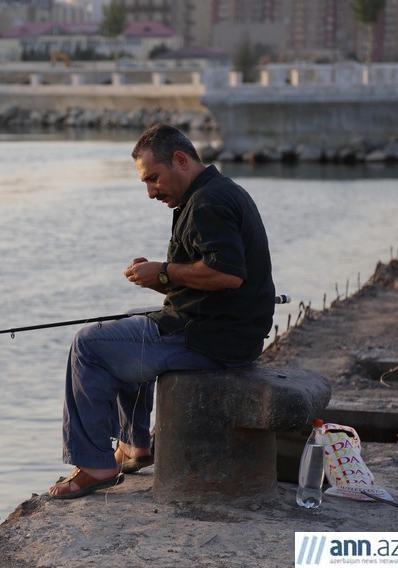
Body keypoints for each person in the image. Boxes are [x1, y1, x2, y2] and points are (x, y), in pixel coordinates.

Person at [48, 123, 275, 499]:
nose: (151, 192)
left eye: (153, 179)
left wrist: (165, 271)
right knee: (122, 325)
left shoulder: (208, 203)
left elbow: (228, 274)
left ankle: (95, 464)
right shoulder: (216, 191)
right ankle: (135, 445)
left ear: (181, 160)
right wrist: (159, 281)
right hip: (224, 330)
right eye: (145, 183)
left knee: (89, 344)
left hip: (213, 339)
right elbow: (212, 273)